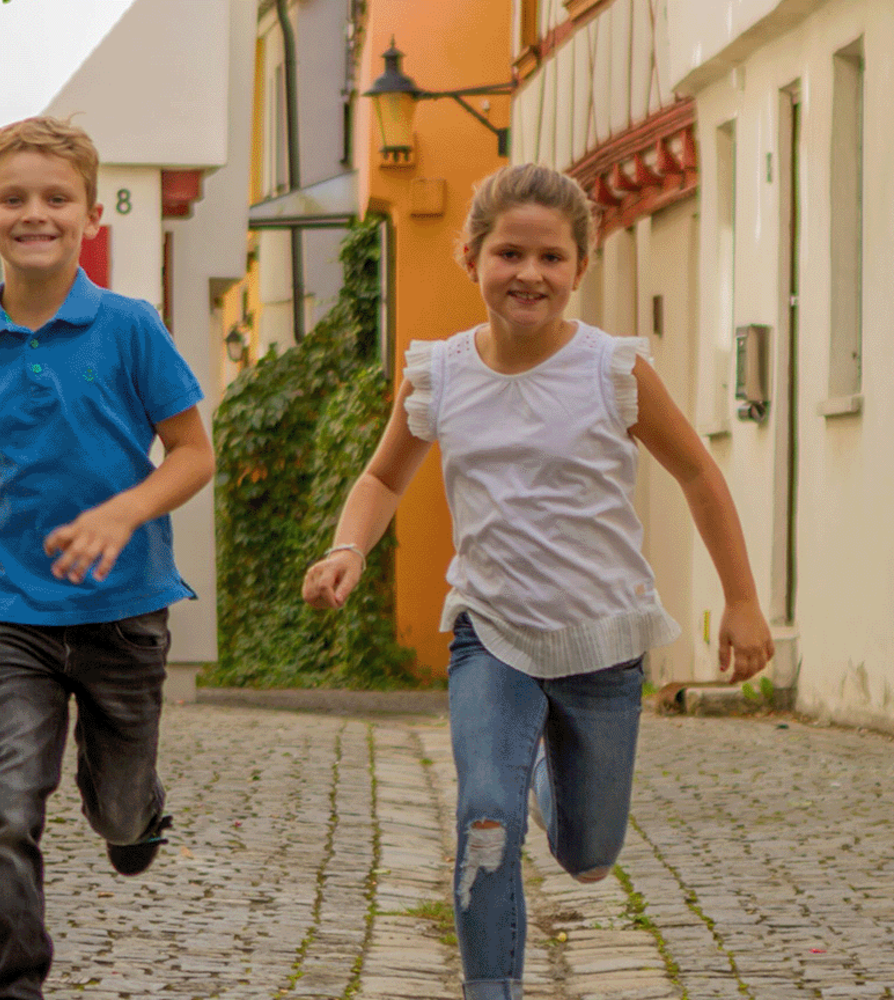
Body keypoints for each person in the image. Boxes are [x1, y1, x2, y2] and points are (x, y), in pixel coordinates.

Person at [299, 163, 773, 1000]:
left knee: (589, 856)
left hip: (602, 642)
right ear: (473, 259)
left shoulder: (611, 370)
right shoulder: (437, 374)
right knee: (485, 816)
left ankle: (553, 785)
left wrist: (740, 600)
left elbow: (699, 474)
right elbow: (381, 479)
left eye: (551, 258)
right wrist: (349, 548)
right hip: (494, 634)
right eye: (509, 254)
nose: (529, 274)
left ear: (579, 268)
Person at [0, 116, 214, 1000]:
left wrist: (121, 513)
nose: (34, 213)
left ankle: (133, 812)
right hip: (16, 612)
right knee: (6, 805)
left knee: (121, 812)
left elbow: (192, 453)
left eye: (56, 198)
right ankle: (14, 985)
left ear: (89, 215)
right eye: (12, 198)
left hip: (125, 610)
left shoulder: (130, 327)